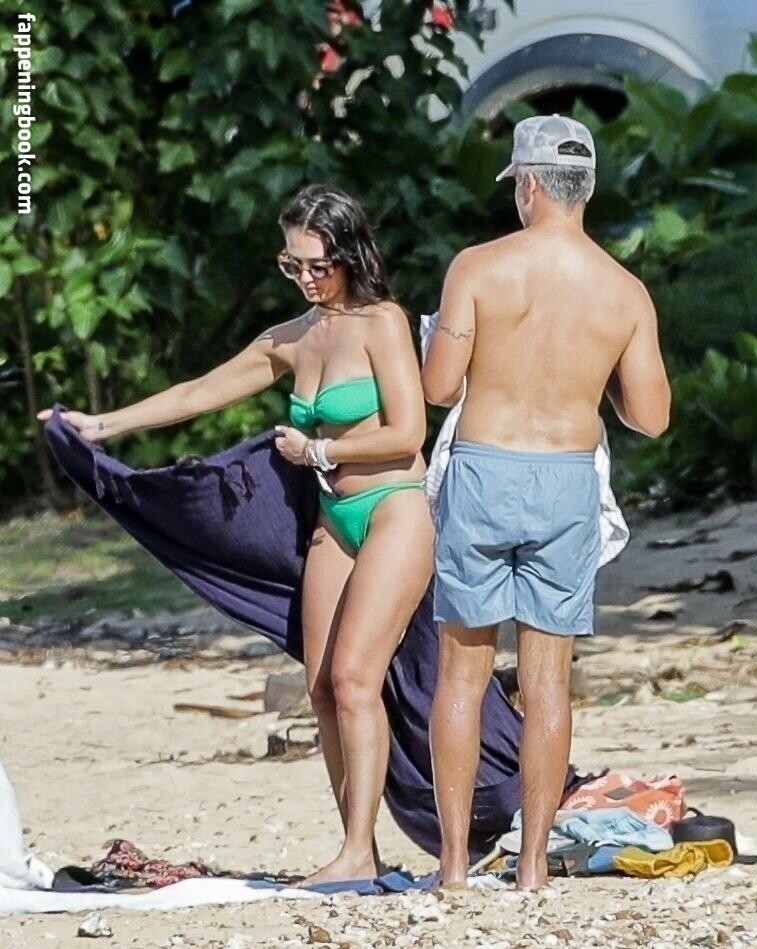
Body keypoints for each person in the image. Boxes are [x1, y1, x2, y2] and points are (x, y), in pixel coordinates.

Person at [39, 183, 435, 887]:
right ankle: (358, 849)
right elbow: (198, 392)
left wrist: (319, 451)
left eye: (318, 265)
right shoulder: (292, 337)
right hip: (334, 522)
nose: (306, 278)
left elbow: (408, 433)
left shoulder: (383, 322)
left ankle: (356, 853)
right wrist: (99, 427)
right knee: (320, 686)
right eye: (293, 265)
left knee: (354, 679)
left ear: (350, 254)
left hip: (392, 509)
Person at [421, 115, 671, 890]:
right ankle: (532, 866)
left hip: (484, 470)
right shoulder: (624, 290)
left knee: (462, 676)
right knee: (548, 682)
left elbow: (438, 387)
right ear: (584, 188)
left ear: (527, 184)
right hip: (565, 477)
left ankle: (453, 866)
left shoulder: (476, 267)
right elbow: (651, 416)